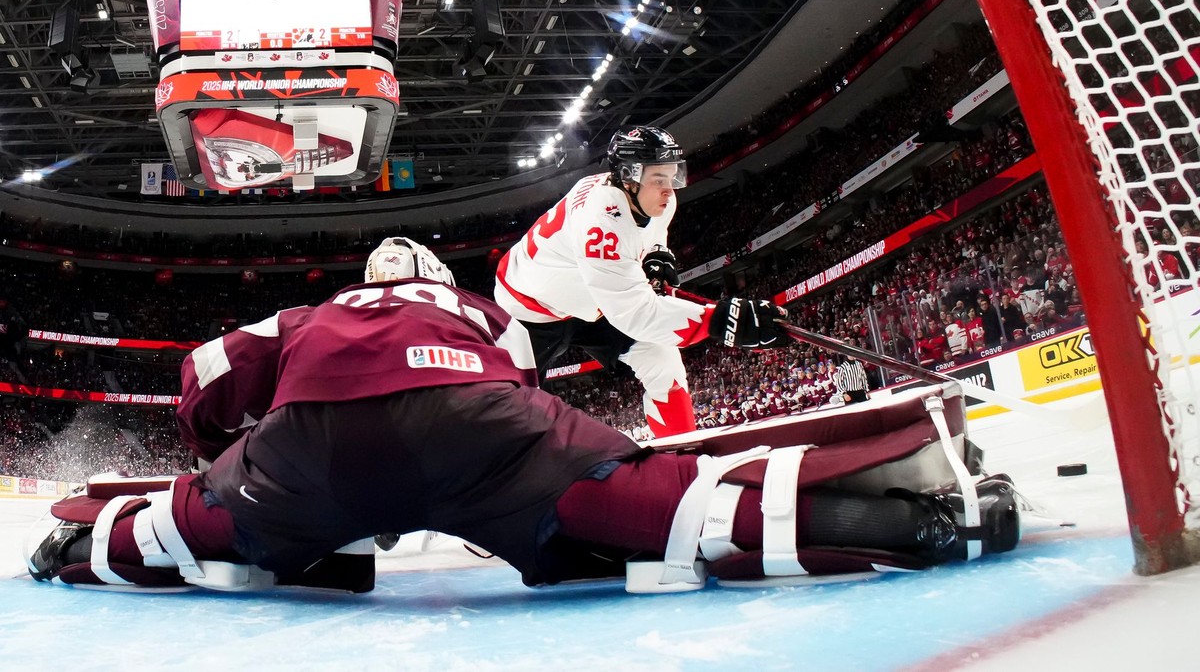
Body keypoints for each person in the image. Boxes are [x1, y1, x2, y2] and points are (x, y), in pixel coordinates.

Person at [28, 238, 1021, 595]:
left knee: (194, 527)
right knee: (663, 503)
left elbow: (202, 377)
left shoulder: (311, 315)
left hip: (312, 448)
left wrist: (225, 465)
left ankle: (79, 549)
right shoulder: (490, 316)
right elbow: (525, 402)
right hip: (488, 430)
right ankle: (919, 511)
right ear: (438, 285)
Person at [493, 125, 786, 437]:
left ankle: (682, 453)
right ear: (629, 178)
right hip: (529, 310)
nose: (669, 189)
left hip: (595, 298)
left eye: (673, 176)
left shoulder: (657, 200)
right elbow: (637, 315)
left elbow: (653, 234)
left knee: (664, 362)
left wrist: (655, 254)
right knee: (513, 405)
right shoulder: (601, 223)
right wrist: (721, 322)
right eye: (659, 179)